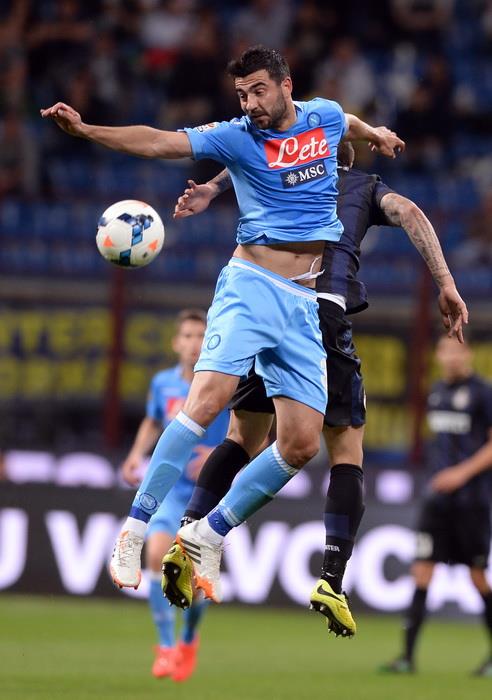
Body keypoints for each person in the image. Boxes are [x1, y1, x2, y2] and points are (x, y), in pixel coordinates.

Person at [41, 46, 407, 605]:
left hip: (305, 301)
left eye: (259, 90)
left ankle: (208, 533)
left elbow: (347, 121)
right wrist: (88, 130)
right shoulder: (236, 136)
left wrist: (374, 132)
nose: (250, 103)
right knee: (207, 401)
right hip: (251, 285)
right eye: (242, 94)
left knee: (300, 444)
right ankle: (134, 530)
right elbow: (159, 141)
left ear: (287, 85)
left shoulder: (325, 116)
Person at [162, 142, 468, 638]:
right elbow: (410, 211)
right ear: (349, 159)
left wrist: (213, 188)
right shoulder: (363, 186)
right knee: (345, 451)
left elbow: (242, 152)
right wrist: (446, 283)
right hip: (320, 313)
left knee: (243, 436)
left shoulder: (281, 172)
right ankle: (330, 579)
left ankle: (187, 530)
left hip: (264, 304)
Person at [121, 309, 230, 681]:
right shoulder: (163, 384)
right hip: (170, 488)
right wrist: (136, 454)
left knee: (195, 580)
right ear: (175, 343)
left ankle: (189, 637)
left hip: (208, 492)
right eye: (187, 336)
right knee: (156, 554)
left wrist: (219, 455)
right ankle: (166, 647)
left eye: (201, 336)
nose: (194, 343)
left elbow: (253, 432)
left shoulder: (225, 382)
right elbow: (153, 420)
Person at [381, 335, 492, 675]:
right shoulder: (436, 392)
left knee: (477, 577)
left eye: (457, 351)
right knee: (421, 572)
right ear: (438, 355)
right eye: (445, 351)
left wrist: (460, 474)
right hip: (437, 502)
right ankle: (406, 657)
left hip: (471, 502)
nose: (451, 357)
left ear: (467, 354)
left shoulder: (483, 393)